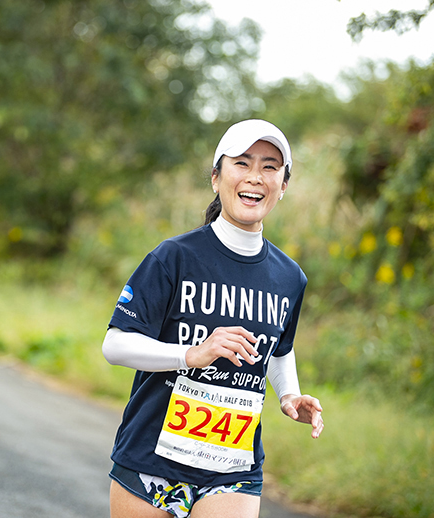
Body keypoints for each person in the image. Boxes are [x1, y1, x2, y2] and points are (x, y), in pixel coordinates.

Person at [102, 119, 323, 518]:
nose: (256, 176)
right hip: (151, 460)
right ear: (216, 177)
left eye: (270, 166)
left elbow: (278, 351)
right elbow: (115, 345)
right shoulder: (174, 257)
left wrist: (289, 394)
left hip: (232, 468)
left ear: (284, 185)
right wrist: (191, 354)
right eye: (242, 163)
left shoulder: (290, 277)